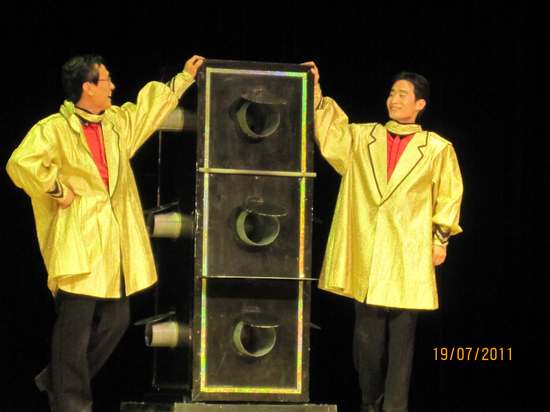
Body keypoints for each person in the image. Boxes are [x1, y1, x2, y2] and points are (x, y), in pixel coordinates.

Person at [6, 53, 204, 412]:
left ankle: (56, 380)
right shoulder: (54, 129)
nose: (113, 86)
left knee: (117, 321)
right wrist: (56, 189)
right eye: (106, 80)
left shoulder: (115, 124)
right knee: (75, 329)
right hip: (78, 242)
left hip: (112, 245)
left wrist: (183, 80)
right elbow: (21, 163)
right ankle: (72, 404)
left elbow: (146, 111)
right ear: (88, 87)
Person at [303, 62, 463, 412]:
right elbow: (331, 134)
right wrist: (315, 91)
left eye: (403, 95)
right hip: (370, 254)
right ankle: (369, 402)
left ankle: (394, 408)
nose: (394, 100)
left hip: (408, 255)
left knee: (402, 344)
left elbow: (449, 195)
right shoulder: (365, 138)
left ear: (420, 104)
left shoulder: (436, 148)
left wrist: (440, 239)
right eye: (392, 93)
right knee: (368, 344)